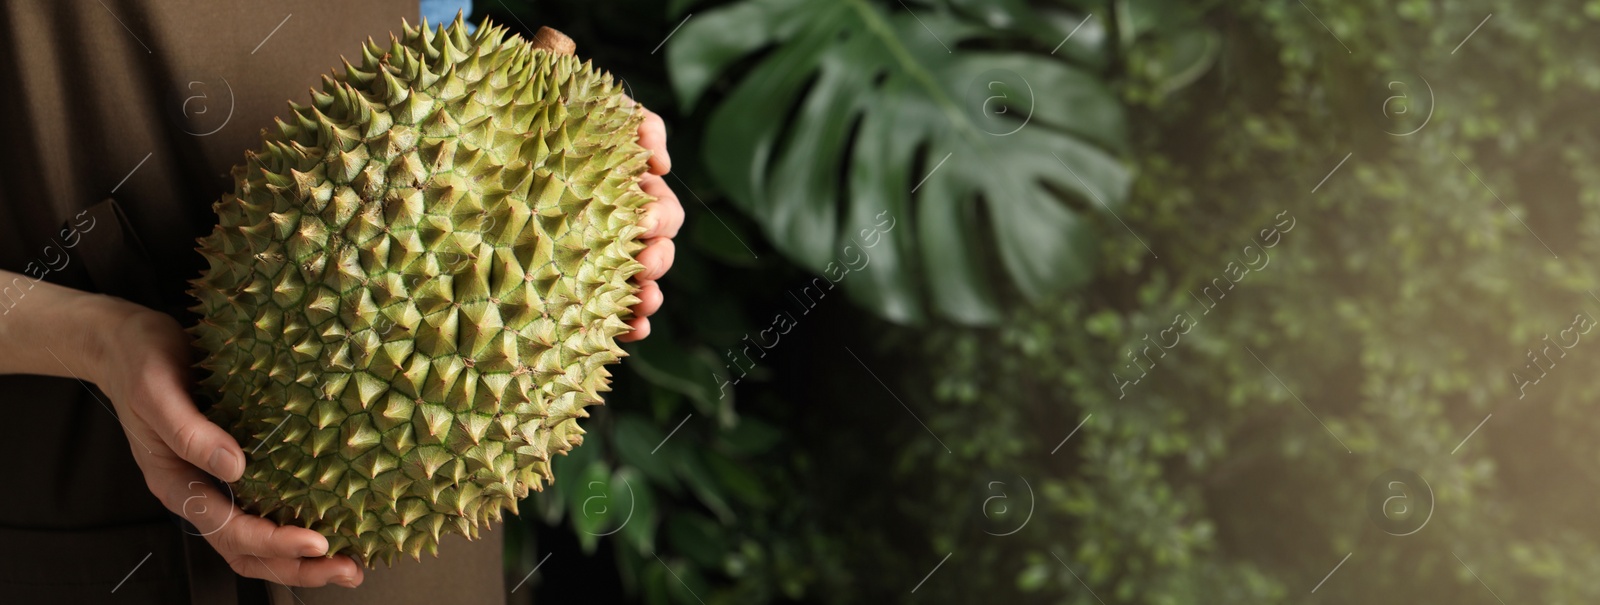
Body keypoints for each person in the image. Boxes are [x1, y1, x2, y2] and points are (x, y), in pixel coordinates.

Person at [0, 1, 682, 603]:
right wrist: (95, 338)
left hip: (422, 519)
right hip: (95, 484)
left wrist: (588, 176)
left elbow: (438, 30)